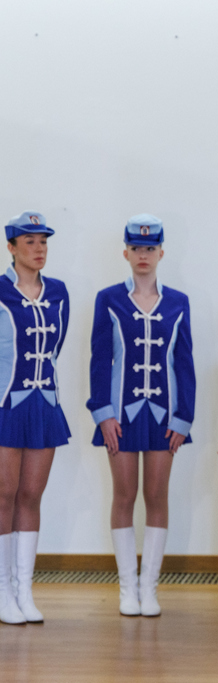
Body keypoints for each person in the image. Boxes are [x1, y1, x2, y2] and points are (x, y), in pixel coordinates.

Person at [87, 214, 195, 617]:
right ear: (126, 253)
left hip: (164, 416)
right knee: (124, 494)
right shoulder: (108, 299)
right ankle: (126, 589)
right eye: (136, 248)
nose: (143, 255)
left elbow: (184, 363)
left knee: (156, 495)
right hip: (120, 416)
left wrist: (183, 418)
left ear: (161, 253)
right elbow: (100, 360)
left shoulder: (178, 302)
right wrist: (103, 413)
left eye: (150, 248)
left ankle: (149, 588)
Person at [0, 211, 71, 626]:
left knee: (30, 495)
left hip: (45, 404)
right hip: (6, 404)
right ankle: (2, 592)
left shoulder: (58, 292)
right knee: (3, 495)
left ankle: (24, 590)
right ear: (11, 247)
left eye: (43, 241)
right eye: (29, 241)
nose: (39, 248)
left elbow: (55, 347)